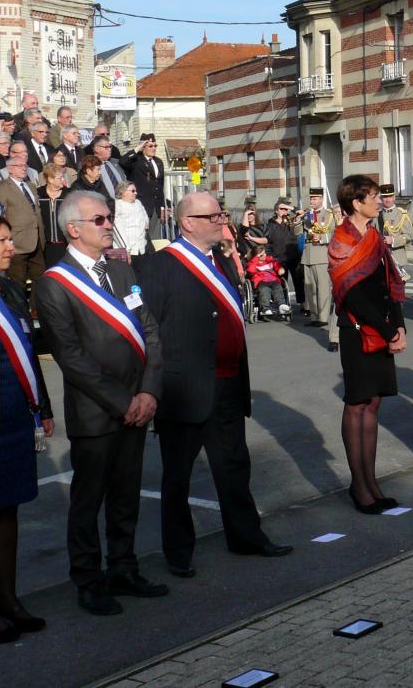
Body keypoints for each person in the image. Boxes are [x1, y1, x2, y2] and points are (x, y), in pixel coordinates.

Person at [135, 192, 292, 577]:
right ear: (188, 223)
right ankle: (178, 551)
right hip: (185, 387)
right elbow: (148, 329)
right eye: (213, 215)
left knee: (234, 465)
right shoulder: (161, 266)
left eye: (221, 213)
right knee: (178, 474)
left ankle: (246, 536)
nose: (222, 219)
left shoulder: (220, 259)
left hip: (227, 382)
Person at [32, 191, 167, 616]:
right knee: (89, 501)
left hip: (137, 404)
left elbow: (150, 333)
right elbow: (70, 356)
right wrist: (122, 400)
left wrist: (148, 392)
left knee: (127, 494)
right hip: (97, 411)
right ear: (74, 229)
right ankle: (88, 580)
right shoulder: (55, 284)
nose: (109, 224)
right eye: (100, 219)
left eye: (109, 218)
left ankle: (123, 568)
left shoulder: (123, 272)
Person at [0, 212, 54, 643]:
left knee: (7, 511)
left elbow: (27, 353)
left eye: (11, 239)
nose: (12, 247)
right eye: (2, 241)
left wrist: (41, 405)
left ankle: (8, 599)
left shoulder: (9, 289)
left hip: (14, 416)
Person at [328, 175, 407, 511]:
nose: (378, 201)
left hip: (384, 326)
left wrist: (399, 325)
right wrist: (387, 330)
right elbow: (353, 295)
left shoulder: (375, 236)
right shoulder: (341, 239)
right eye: (372, 197)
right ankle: (358, 485)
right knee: (357, 402)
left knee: (374, 403)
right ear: (355, 203)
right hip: (357, 329)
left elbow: (391, 283)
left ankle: (372, 480)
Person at [0, 158, 45, 287]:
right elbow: (1, 214)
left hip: (37, 239)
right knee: (17, 283)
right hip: (17, 242)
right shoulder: (2, 188)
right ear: (10, 169)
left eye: (25, 165)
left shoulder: (31, 186)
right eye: (19, 166)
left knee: (41, 280)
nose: (24, 168)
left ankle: (36, 307)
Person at [301, 189, 339, 350]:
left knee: (323, 287)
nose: (313, 201)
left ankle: (323, 317)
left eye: (315, 198)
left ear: (322, 199)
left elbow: (335, 232)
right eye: (311, 198)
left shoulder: (329, 214)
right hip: (308, 254)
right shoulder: (307, 215)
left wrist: (323, 238)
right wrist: (298, 219)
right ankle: (315, 315)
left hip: (322, 254)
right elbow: (298, 231)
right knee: (310, 287)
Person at [119, 135, 166, 237]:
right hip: (141, 204)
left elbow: (160, 186)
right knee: (141, 236)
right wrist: (137, 149)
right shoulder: (136, 160)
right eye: (150, 146)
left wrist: (162, 207)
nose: (153, 148)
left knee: (156, 238)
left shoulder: (158, 162)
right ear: (143, 146)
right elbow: (122, 161)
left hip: (155, 207)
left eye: (155, 145)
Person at [263, 198, 302, 308]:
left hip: (293, 256)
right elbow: (267, 242)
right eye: (281, 209)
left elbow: (301, 212)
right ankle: (283, 304)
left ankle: (303, 304)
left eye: (286, 209)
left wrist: (289, 208)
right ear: (276, 211)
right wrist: (269, 256)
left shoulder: (290, 221)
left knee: (298, 281)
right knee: (281, 283)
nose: (284, 211)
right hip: (278, 258)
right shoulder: (270, 224)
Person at [375, 185, 412, 276]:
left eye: (390, 196)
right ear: (381, 198)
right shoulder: (376, 215)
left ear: (394, 197)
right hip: (380, 258)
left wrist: (393, 240)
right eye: (385, 197)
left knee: (398, 288)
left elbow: (409, 236)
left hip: (397, 258)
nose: (388, 199)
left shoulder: (401, 214)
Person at [246, 246, 291, 320]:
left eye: (265, 253)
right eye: (262, 255)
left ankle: (281, 305)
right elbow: (250, 271)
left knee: (278, 287)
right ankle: (265, 309)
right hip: (261, 281)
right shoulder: (253, 263)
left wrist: (280, 269)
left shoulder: (270, 260)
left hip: (273, 280)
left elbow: (277, 265)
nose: (265, 255)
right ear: (256, 256)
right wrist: (256, 259)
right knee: (264, 290)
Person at [37, 163, 69, 267]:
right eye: (60, 178)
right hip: (45, 247)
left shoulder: (68, 194)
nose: (63, 180)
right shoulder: (38, 194)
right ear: (50, 179)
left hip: (65, 246)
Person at [113, 182, 150, 257]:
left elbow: (145, 216)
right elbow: (118, 229)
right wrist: (126, 249)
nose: (135, 193)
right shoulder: (117, 205)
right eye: (133, 191)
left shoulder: (138, 203)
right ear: (123, 192)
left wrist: (146, 223)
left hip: (142, 248)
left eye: (136, 191)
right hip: (127, 251)